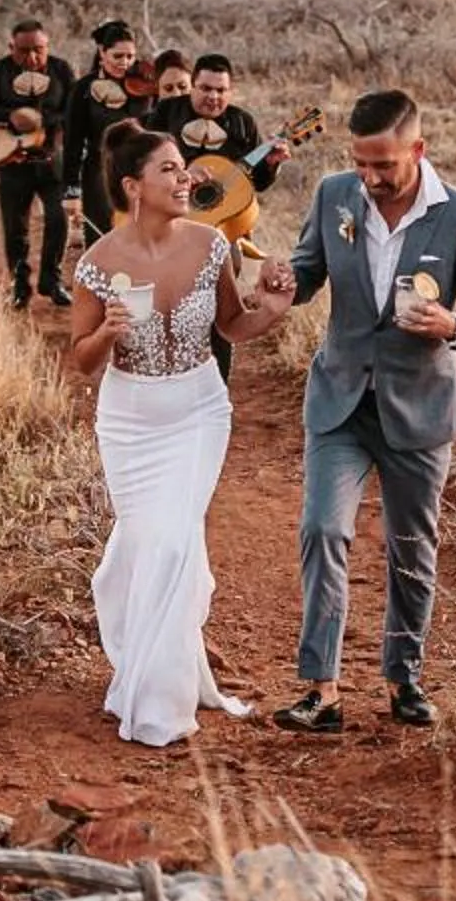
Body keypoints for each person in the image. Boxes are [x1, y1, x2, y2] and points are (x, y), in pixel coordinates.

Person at [261, 90, 456, 734]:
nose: (369, 178)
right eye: (361, 163)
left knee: (410, 549)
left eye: (384, 165)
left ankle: (404, 679)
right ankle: (321, 690)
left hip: (418, 408)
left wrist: (455, 325)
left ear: (417, 151)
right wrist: (288, 281)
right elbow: (309, 272)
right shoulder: (333, 195)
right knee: (322, 530)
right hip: (341, 398)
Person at [68, 123, 294, 747]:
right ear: (132, 186)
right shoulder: (97, 264)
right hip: (130, 420)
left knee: (171, 543)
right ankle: (145, 652)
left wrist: (271, 310)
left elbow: (232, 325)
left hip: (198, 411)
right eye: (169, 169)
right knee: (146, 543)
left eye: (183, 166)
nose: (186, 177)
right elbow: (81, 360)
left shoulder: (211, 244)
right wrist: (108, 332)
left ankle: (156, 698)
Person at [146, 54, 278, 376]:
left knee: (222, 307)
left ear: (231, 91)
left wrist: (272, 164)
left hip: (221, 234)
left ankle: (219, 381)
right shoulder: (166, 114)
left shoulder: (242, 123)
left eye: (221, 90)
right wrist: (180, 173)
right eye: (205, 88)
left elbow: (256, 183)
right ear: (192, 86)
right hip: (169, 228)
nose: (213, 96)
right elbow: (141, 162)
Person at [0, 19, 74, 309]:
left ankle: (52, 281)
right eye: (24, 50)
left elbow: (72, 111)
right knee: (15, 228)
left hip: (51, 161)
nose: (32, 57)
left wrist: (42, 121)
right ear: (11, 47)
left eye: (38, 50)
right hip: (13, 161)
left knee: (59, 219)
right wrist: (10, 117)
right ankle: (19, 285)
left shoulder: (61, 70)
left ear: (47, 46)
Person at [64, 20, 149, 241]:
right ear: (102, 52)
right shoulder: (84, 88)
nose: (125, 63)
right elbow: (73, 140)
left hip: (141, 168)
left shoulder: (146, 83)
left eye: (130, 56)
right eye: (118, 56)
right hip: (99, 168)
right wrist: (72, 189)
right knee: (101, 235)